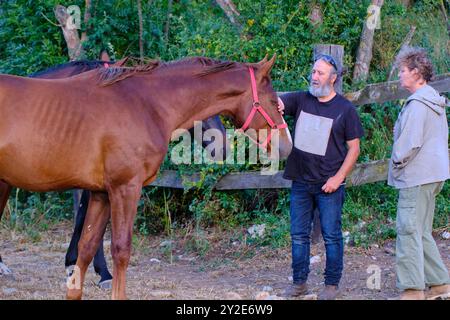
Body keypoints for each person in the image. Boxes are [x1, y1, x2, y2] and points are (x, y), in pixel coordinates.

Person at [277, 54, 364, 300]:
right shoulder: (301, 99)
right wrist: (276, 103)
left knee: (331, 234)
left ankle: (331, 285)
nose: (314, 77)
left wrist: (338, 178)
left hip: (330, 185)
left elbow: (354, 149)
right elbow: (275, 103)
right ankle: (299, 284)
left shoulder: (345, 110)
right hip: (301, 182)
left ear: (333, 79)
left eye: (320, 73)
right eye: (314, 71)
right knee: (298, 235)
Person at [388, 46, 450, 300]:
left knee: (408, 231)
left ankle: (413, 290)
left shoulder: (417, 104)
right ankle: (439, 284)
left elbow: (408, 144)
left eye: (403, 71)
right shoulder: (433, 99)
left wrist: (396, 160)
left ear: (416, 72)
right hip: (433, 174)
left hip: (416, 176)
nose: (400, 76)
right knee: (421, 231)